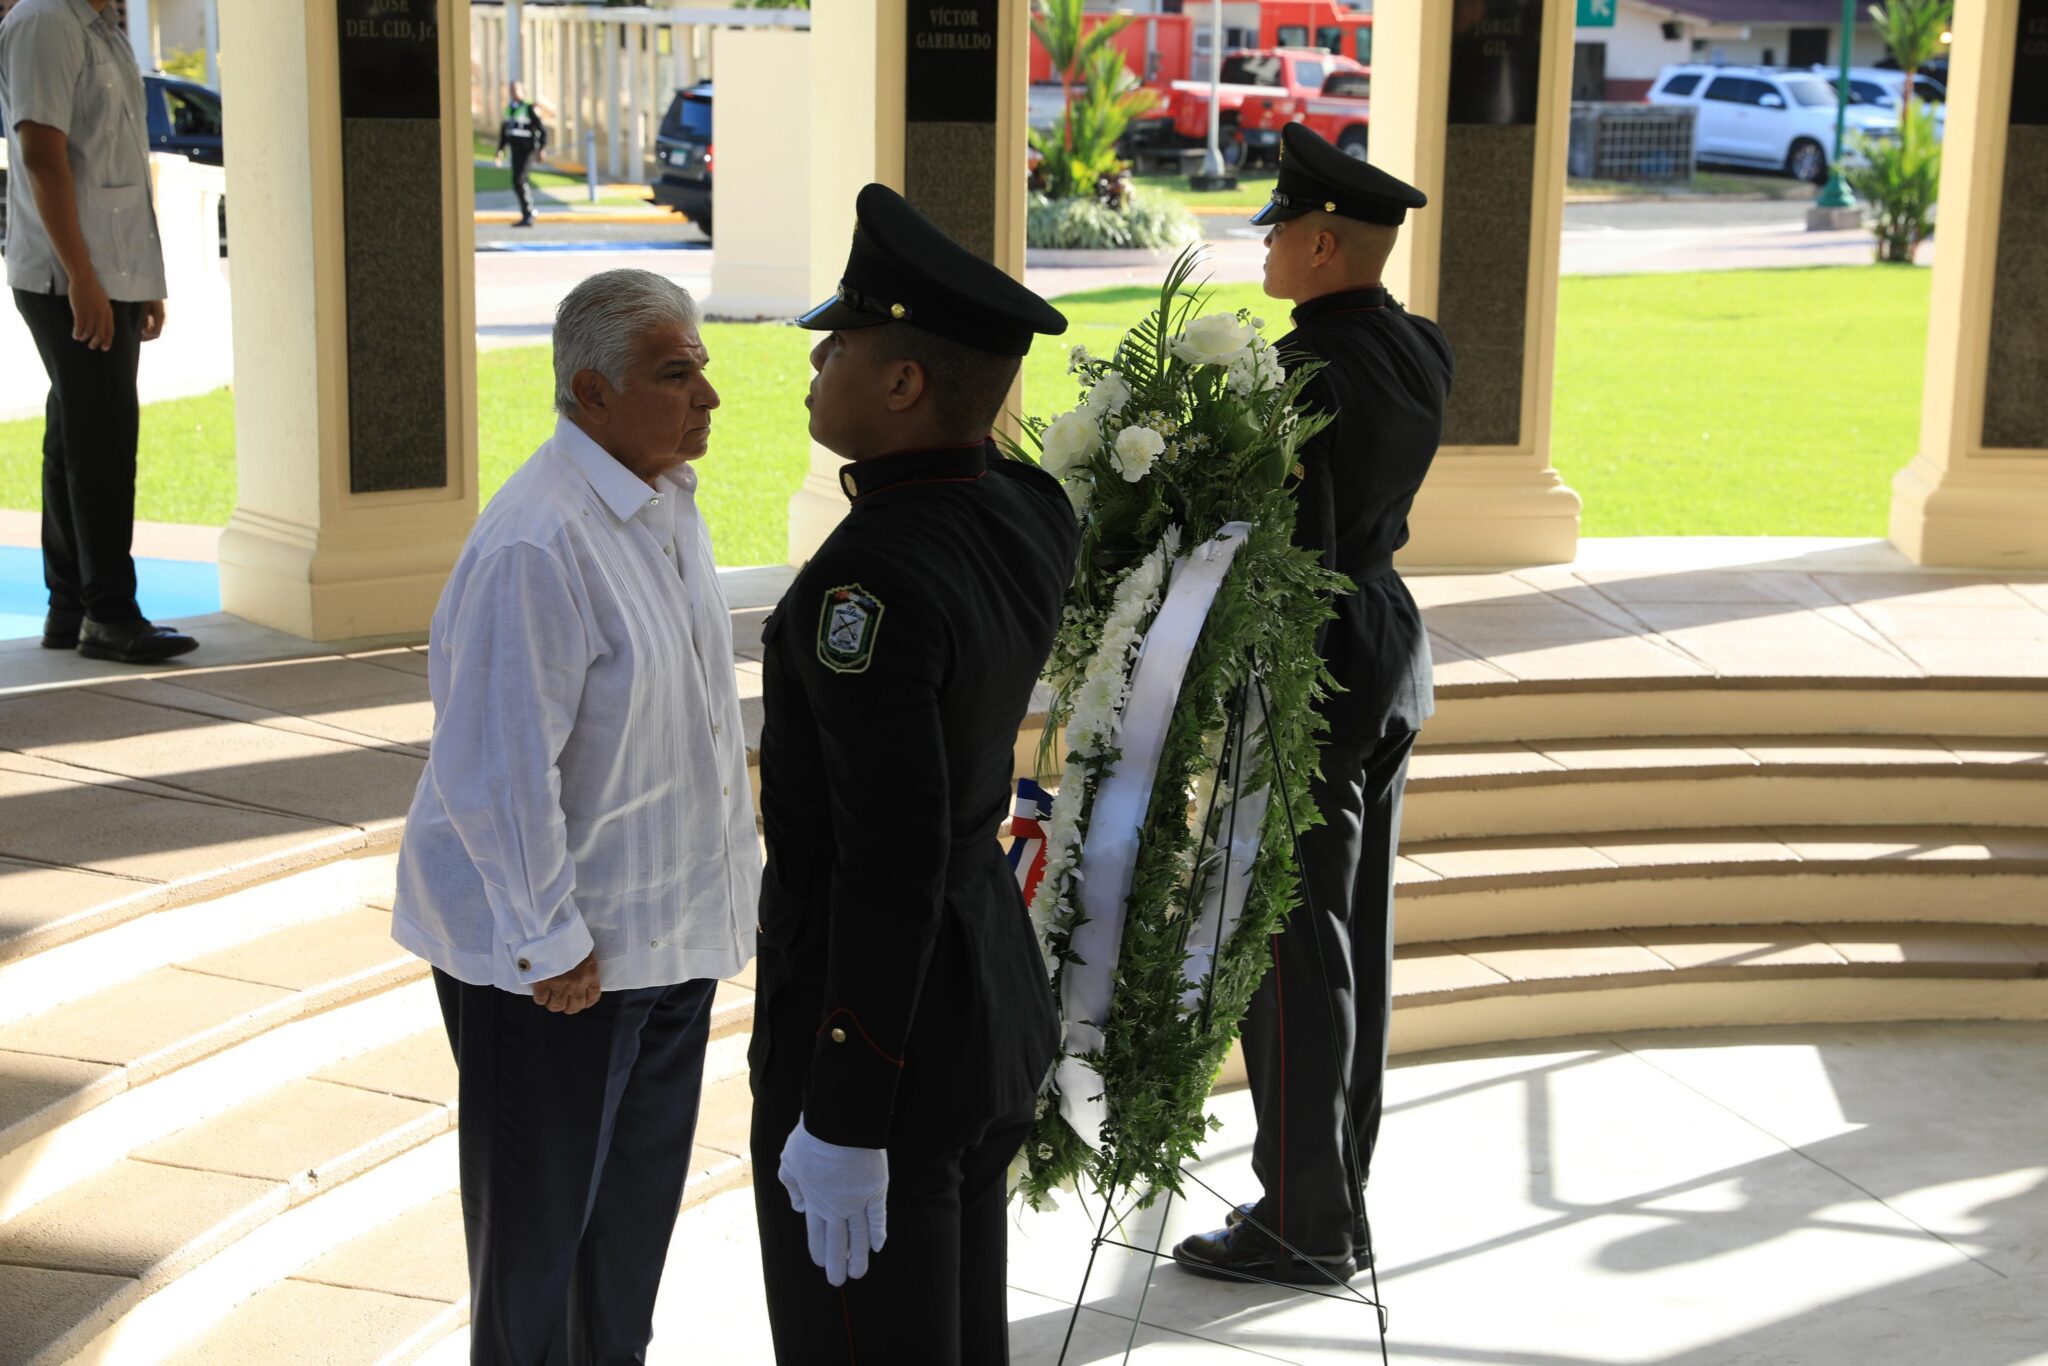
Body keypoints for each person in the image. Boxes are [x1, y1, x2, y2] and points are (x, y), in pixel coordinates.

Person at [390, 268, 758, 1363]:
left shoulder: (663, 502)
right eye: (675, 372)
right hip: (559, 966)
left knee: (627, 1241)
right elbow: (496, 771)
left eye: (701, 368)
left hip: (665, 942)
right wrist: (551, 939)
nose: (708, 396)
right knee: (536, 1257)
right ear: (590, 393)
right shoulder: (536, 543)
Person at [750, 182, 1078, 1365]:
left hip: (878, 1029)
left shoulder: (867, 586)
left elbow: (884, 863)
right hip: (979, 992)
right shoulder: (1030, 508)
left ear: (900, 385)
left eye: (841, 340)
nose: (818, 357)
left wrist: (841, 1111)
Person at [1173, 122, 1453, 1287]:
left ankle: (1301, 1219)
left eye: (1280, 228)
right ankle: (1336, 1190)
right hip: (1386, 642)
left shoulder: (1301, 378)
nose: (1268, 246)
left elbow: (1268, 541)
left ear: (1325, 241)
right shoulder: (1416, 348)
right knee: (1350, 945)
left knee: (1288, 945)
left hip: (1311, 666)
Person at [0, 0, 195, 664]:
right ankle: (110, 613)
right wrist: (82, 275)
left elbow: (121, 162)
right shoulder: (45, 22)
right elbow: (41, 155)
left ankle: (72, 606)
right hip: (67, 275)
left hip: (110, 270)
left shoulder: (102, 24)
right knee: (103, 440)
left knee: (78, 430)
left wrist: (143, 279)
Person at [497, 81, 548, 229]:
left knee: (519, 179)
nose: (513, 92)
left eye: (516, 89)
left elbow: (542, 129)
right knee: (516, 180)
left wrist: (541, 148)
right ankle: (526, 212)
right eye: (511, 90)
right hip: (515, 149)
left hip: (527, 149)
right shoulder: (510, 109)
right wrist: (500, 150)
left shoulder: (529, 107)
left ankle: (529, 212)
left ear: (522, 91)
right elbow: (504, 132)